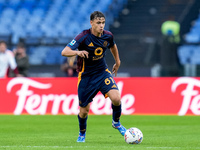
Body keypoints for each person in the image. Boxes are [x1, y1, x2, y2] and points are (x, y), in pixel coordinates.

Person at [61, 11, 126, 142]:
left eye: (103, 23)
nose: (101, 26)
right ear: (91, 23)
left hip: (102, 72)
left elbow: (113, 45)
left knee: (116, 98)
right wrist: (77, 52)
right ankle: (82, 133)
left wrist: (117, 61)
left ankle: (116, 122)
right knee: (84, 111)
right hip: (86, 77)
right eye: (98, 23)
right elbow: (64, 52)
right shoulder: (83, 36)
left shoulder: (107, 35)